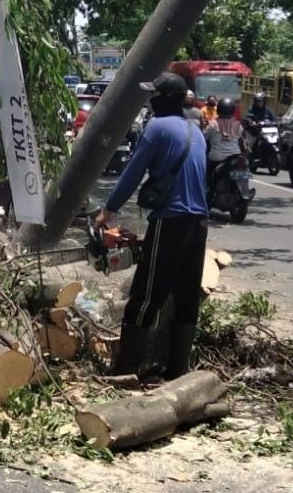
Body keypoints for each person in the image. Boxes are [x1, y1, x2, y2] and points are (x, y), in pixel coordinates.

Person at [93, 71, 208, 380]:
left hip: (170, 221)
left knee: (145, 296)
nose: (150, 99)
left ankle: (127, 369)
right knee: (186, 296)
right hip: (199, 223)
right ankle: (178, 371)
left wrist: (107, 212)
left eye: (153, 94)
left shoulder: (156, 128)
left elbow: (133, 173)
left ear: (162, 99)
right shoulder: (195, 131)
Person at [205, 97, 245, 165]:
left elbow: (204, 138)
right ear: (233, 110)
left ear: (218, 109)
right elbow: (241, 141)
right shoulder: (238, 125)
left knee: (207, 172)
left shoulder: (212, 125)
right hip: (235, 157)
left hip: (216, 158)